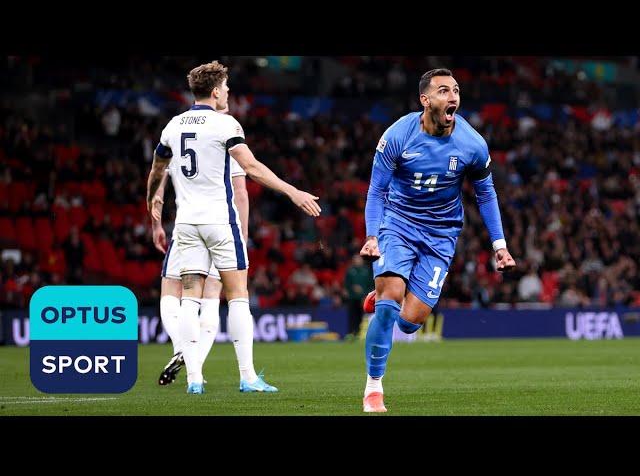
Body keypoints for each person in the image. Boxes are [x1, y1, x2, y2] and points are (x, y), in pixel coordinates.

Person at [146, 60, 321, 395]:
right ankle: (248, 376)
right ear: (215, 91)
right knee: (238, 296)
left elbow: (157, 171)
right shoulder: (225, 124)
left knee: (190, 298)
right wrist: (292, 191)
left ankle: (194, 379)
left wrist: (153, 207)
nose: (228, 92)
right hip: (219, 221)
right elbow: (251, 168)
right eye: (225, 87)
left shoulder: (173, 126)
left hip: (186, 222)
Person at [359, 68, 516, 412]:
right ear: (425, 100)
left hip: (441, 233)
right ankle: (373, 388)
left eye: (456, 90)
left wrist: (499, 245)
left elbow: (486, 195)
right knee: (389, 304)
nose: (453, 97)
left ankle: (385, 294)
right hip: (397, 225)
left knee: (410, 322)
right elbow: (377, 190)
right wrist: (372, 236)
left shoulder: (472, 143)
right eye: (444, 91)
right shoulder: (397, 135)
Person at [150, 149, 249, 388]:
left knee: (174, 291)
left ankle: (184, 353)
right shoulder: (229, 142)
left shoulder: (177, 133)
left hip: (188, 227)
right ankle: (200, 369)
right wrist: (243, 235)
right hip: (222, 228)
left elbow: (157, 185)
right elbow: (241, 193)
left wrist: (156, 225)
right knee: (213, 294)